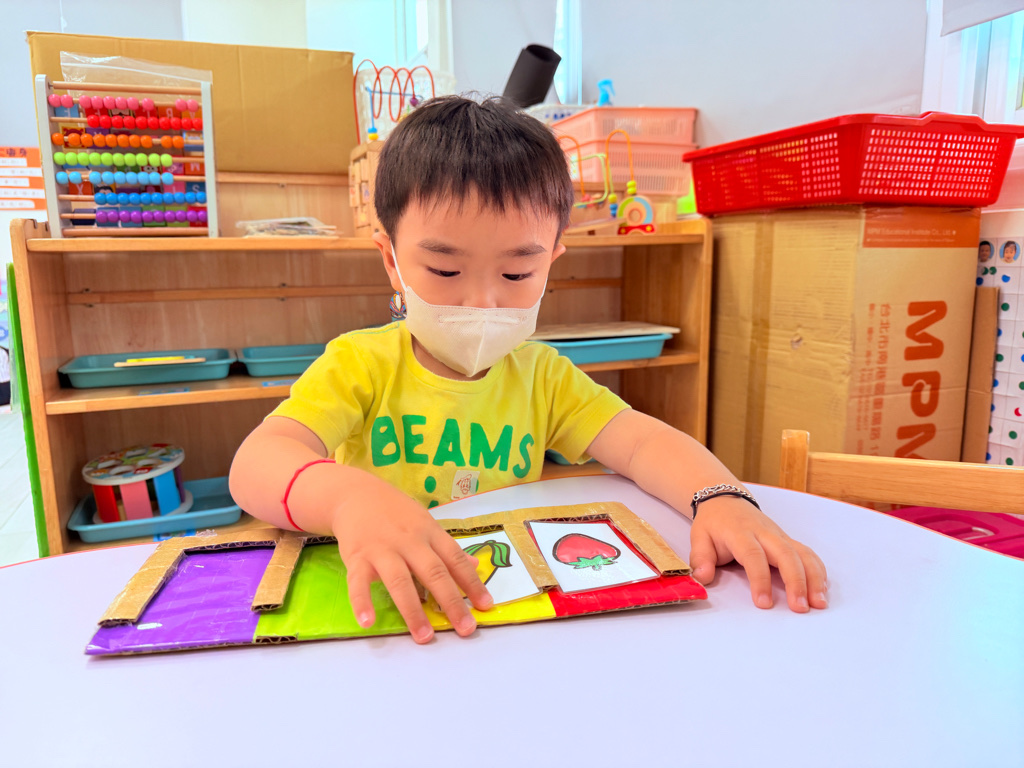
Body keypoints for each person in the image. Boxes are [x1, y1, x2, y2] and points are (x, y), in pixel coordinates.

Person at [229, 96, 828, 644]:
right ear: (391, 259)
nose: (482, 302)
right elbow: (257, 464)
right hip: (390, 609)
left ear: (552, 262)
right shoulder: (361, 364)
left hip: (504, 606)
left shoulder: (543, 377)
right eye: (444, 271)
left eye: (517, 274)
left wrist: (721, 498)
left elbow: (644, 443)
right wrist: (346, 500)